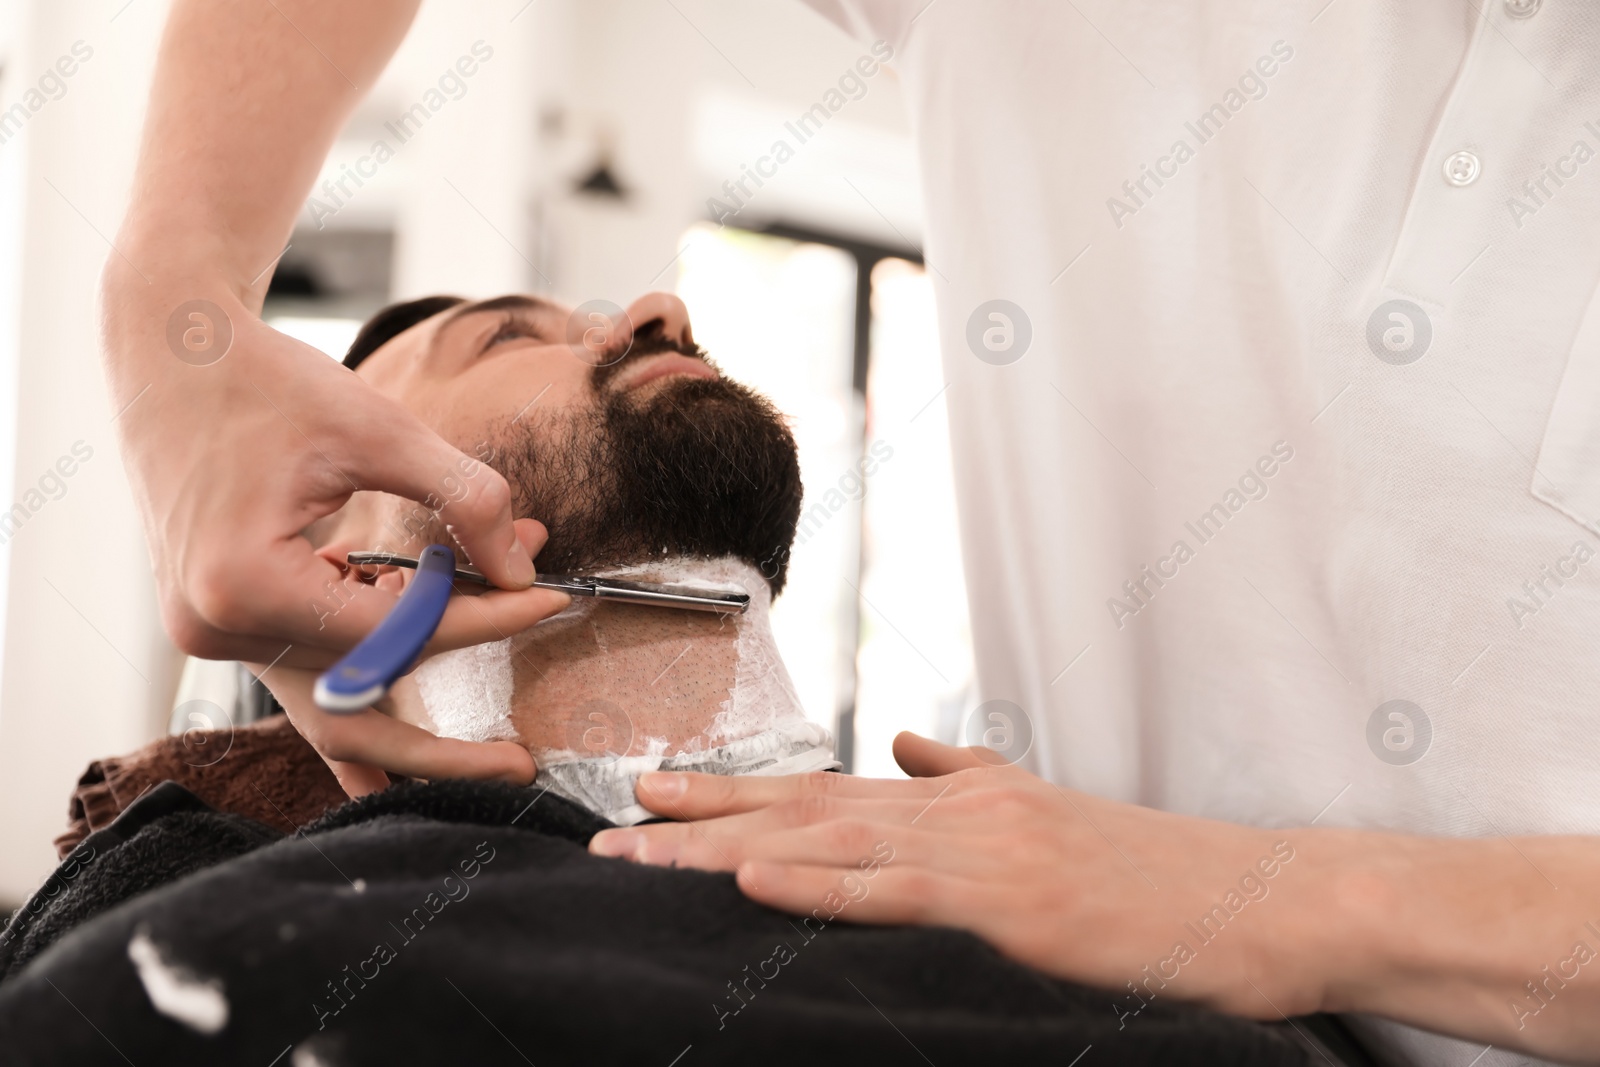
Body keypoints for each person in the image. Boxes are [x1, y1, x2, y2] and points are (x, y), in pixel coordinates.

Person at [98, 1, 1600, 1063]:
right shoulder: (259, 943)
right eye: (508, 333)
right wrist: (173, 312)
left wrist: (1268, 896)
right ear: (369, 577)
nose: (658, 301)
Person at [259, 291, 840, 818]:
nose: (664, 311)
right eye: (508, 335)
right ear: (361, 575)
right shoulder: (251, 924)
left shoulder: (918, 858)